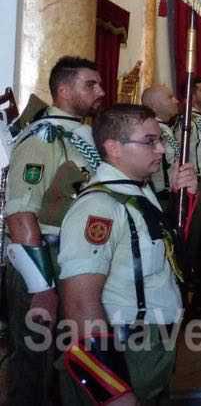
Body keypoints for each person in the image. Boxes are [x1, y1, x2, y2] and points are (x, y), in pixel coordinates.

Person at [56, 104, 197, 405]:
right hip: (123, 352)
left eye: (159, 140)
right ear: (113, 148)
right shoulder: (99, 207)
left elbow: (166, 258)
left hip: (152, 346)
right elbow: (80, 304)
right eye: (149, 141)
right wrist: (111, 389)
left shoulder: (138, 193)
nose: (160, 149)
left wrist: (183, 200)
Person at [3, 56, 104, 404]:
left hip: (76, 261)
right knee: (35, 365)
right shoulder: (42, 137)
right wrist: (42, 286)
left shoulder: (83, 135)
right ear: (63, 90)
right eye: (90, 84)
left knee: (69, 361)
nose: (100, 91)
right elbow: (20, 214)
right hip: (44, 260)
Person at [174, 76, 201, 313]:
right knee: (192, 243)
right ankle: (186, 300)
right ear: (191, 95)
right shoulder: (187, 122)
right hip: (193, 183)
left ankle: (199, 294)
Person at [141, 85, 181, 209]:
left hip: (171, 196)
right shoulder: (149, 132)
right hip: (158, 196)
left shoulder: (167, 128)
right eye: (170, 97)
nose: (176, 101)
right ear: (154, 105)